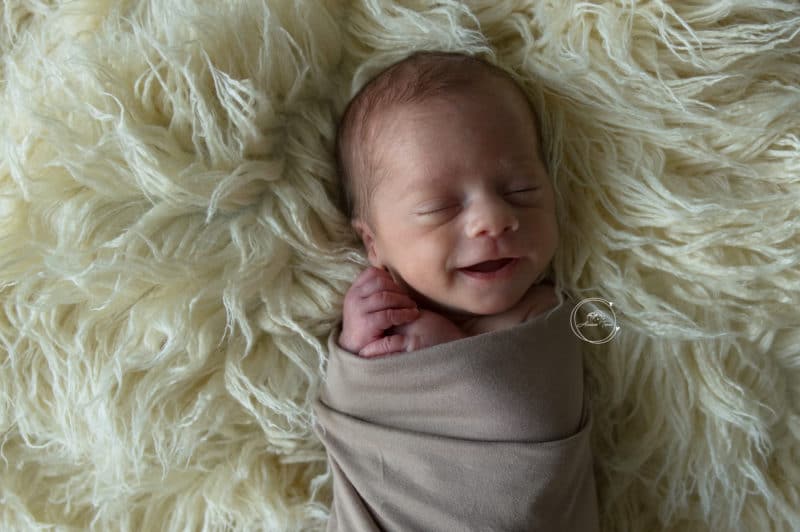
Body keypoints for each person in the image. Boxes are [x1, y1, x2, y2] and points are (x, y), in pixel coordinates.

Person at [312, 51, 599, 531]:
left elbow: (537, 418)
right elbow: (350, 414)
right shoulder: (382, 316)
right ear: (373, 242)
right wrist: (355, 347)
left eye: (521, 190)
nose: (492, 220)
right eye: (440, 208)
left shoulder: (550, 314)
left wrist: (449, 351)